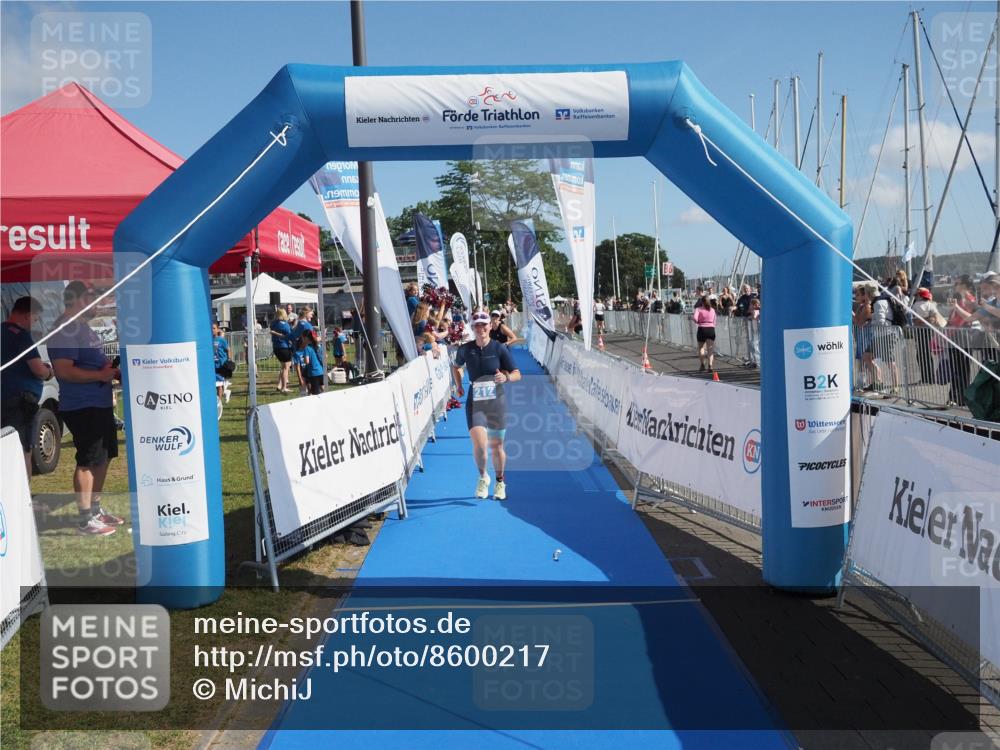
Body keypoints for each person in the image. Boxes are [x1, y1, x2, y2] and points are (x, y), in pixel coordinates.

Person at [48, 281, 124, 536]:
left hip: (99, 403)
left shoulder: (83, 328)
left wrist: (111, 372)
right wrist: (101, 375)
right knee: (88, 460)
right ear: (79, 299)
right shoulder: (64, 329)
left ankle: (95, 509)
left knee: (103, 457)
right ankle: (85, 520)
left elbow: (94, 366)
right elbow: (64, 370)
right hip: (81, 405)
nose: (98, 304)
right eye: (93, 298)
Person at [452, 311, 521, 500]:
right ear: (472, 328)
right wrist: (459, 385)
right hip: (475, 403)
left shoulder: (499, 349)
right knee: (480, 446)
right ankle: (483, 477)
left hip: (496, 403)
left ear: (490, 326)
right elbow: (455, 366)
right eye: (477, 325)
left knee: (497, 446)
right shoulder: (465, 349)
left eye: (484, 325)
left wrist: (505, 377)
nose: (481, 328)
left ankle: (500, 481)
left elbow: (517, 373)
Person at [1, 296, 54, 481]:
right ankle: (24, 503)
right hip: (18, 405)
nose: (35, 323)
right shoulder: (22, 336)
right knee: (23, 451)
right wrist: (49, 372)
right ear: (28, 315)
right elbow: (38, 369)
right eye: (36, 318)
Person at [270, 308, 293, 393]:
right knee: (286, 367)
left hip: (276, 347)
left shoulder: (273, 323)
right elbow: (289, 334)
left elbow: (272, 328)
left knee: (283, 367)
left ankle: (280, 385)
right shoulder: (285, 324)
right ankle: (284, 387)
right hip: (284, 347)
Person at [692, 293, 717, 373]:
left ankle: (702, 364)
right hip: (710, 329)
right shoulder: (712, 310)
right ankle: (710, 365)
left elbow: (695, 318)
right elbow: (714, 321)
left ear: (701, 302)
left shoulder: (698, 309)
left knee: (701, 348)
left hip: (702, 328)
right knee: (710, 348)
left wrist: (698, 322)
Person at [298, 330, 325, 395]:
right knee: (323, 390)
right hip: (321, 371)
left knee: (315, 394)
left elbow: (307, 361)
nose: (302, 339)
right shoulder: (316, 345)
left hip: (314, 373)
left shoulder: (307, 348)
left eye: (302, 338)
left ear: (306, 338)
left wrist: (303, 358)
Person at [212, 322, 231, 404]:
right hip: (212, 365)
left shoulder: (221, 340)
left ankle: (218, 403)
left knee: (219, 384)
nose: (212, 330)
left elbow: (228, 350)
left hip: (221, 364)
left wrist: (229, 360)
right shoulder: (209, 339)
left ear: (217, 329)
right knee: (216, 384)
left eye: (214, 328)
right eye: (211, 328)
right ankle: (226, 392)